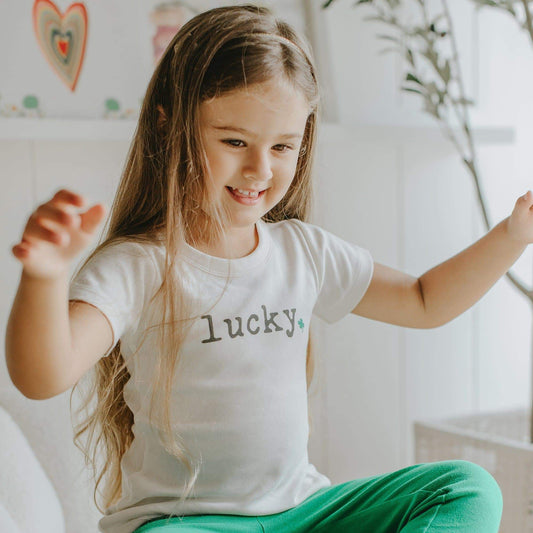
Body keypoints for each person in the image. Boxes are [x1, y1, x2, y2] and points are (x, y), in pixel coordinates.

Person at [6, 4, 530, 532]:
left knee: (467, 486)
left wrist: (513, 236)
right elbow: (43, 376)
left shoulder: (303, 252)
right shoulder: (139, 266)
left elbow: (424, 300)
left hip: (303, 512)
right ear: (170, 129)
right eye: (234, 141)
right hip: (189, 523)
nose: (260, 168)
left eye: (283, 146)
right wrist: (45, 275)